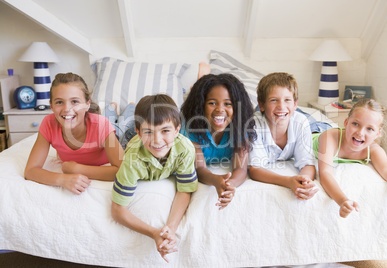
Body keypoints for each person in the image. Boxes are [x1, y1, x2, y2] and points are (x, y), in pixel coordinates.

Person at [111, 94, 197, 262]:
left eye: (165, 130)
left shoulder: (185, 148)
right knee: (118, 128)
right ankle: (115, 108)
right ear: (139, 132)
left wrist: (170, 228)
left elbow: (184, 190)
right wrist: (154, 233)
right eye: (149, 132)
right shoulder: (132, 159)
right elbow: (117, 210)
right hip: (128, 138)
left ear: (177, 130)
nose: (157, 140)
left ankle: (129, 107)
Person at [24, 73, 123, 195]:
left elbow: (123, 170)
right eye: (59, 102)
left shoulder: (102, 125)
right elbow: (30, 171)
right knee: (109, 115)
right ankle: (111, 107)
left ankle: (123, 107)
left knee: (123, 124)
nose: (67, 109)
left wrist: (76, 169)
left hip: (117, 133)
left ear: (87, 104)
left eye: (74, 101)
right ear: (51, 105)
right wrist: (62, 179)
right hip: (98, 121)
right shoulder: (48, 124)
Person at [180, 70, 256, 210]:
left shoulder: (239, 126)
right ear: (201, 105)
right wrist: (216, 180)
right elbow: (200, 168)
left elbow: (240, 167)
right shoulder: (191, 127)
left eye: (228, 104)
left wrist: (230, 184)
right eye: (212, 103)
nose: (220, 109)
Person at [313, 99, 387, 218]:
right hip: (315, 129)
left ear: (378, 133)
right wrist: (342, 200)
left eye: (369, 129)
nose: (360, 133)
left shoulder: (373, 149)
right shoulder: (330, 138)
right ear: (346, 122)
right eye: (355, 124)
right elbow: (325, 173)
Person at [248, 72, 318, 200]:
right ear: (262, 105)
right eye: (274, 100)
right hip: (266, 117)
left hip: (302, 120)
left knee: (319, 128)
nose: (281, 106)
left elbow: (307, 163)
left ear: (295, 103)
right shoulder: (254, 125)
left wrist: (305, 181)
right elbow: (255, 170)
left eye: (287, 100)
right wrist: (289, 181)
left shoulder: (301, 122)